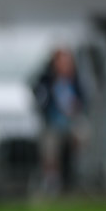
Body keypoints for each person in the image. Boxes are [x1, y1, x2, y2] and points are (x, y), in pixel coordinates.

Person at [32, 47, 88, 195]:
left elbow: (84, 101)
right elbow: (39, 99)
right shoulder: (47, 80)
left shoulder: (76, 80)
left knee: (83, 134)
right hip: (53, 123)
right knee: (49, 143)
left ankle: (81, 174)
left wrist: (76, 106)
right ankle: (51, 180)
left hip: (71, 123)